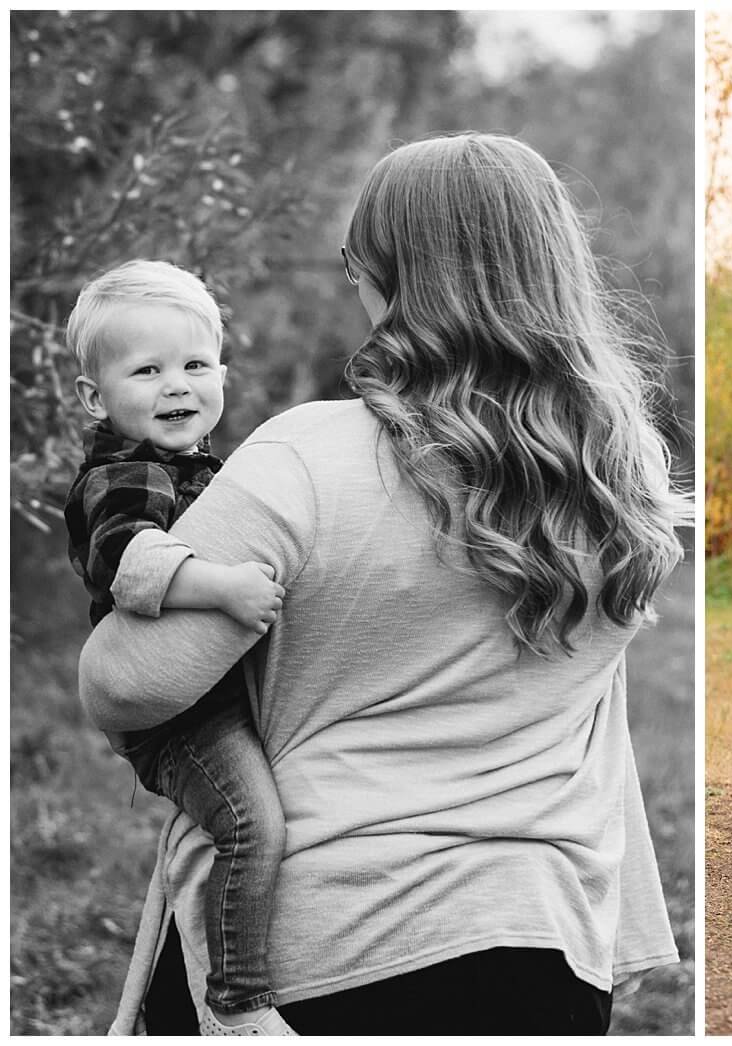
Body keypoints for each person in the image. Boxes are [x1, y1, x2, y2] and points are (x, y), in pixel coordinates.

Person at [79, 132, 689, 1035]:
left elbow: (129, 684)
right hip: (547, 945)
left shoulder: (307, 455)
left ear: (387, 273)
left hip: (327, 949)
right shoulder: (617, 476)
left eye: (353, 261)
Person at [63, 260, 294, 1035]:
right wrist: (224, 588)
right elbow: (127, 563)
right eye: (148, 370)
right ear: (95, 397)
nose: (177, 387)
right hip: (177, 722)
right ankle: (236, 1003)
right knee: (249, 823)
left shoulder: (201, 468)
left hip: (215, 695)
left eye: (196, 366)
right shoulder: (123, 473)